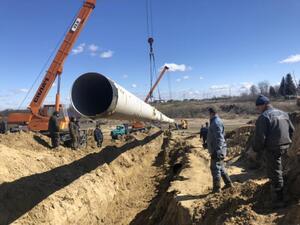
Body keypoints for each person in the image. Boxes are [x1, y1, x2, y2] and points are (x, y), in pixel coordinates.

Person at [253, 95, 294, 208]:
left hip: (273, 148)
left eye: (258, 107)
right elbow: (292, 130)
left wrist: (257, 150)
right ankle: (286, 189)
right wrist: (287, 141)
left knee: (275, 173)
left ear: (264, 105)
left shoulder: (264, 117)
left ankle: (279, 200)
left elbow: (260, 138)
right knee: (281, 169)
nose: (257, 110)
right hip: (285, 146)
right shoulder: (284, 114)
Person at [207, 107, 233, 193]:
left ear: (211, 113)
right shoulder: (216, 121)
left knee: (215, 168)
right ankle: (228, 183)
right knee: (220, 167)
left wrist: (217, 151)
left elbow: (220, 138)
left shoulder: (216, 123)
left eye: (209, 114)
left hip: (217, 150)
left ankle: (216, 189)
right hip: (218, 149)